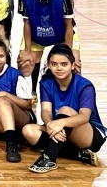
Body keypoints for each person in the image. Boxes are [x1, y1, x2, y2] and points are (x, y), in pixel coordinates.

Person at [23, 44, 103, 173]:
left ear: (72, 65)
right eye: (54, 64)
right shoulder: (46, 82)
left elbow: (84, 116)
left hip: (90, 134)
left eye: (64, 64)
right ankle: (78, 155)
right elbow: (46, 111)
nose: (59, 68)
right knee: (28, 131)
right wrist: (50, 125)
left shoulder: (85, 86)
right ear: (49, 65)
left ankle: (49, 158)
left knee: (66, 110)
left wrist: (60, 123)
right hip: (60, 129)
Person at [17, 0, 75, 95]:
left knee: (74, 64)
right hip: (36, 34)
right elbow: (27, 24)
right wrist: (27, 50)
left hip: (62, 33)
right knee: (25, 63)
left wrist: (69, 53)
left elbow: (68, 25)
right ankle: (31, 95)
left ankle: (67, 95)